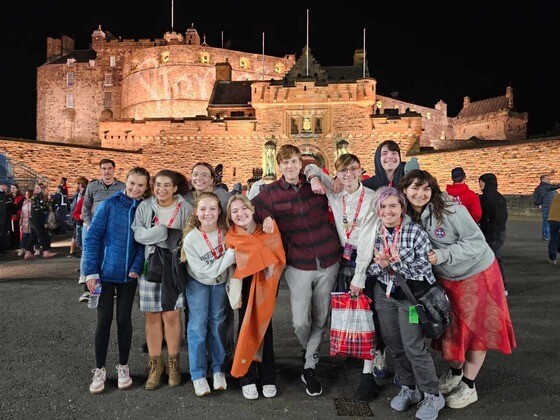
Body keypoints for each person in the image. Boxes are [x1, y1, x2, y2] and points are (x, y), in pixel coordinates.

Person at [399, 169, 516, 409]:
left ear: (434, 190)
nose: (420, 193)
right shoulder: (407, 215)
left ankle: (469, 385)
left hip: (477, 273)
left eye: (426, 188)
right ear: (404, 190)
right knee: (451, 329)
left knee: (476, 329)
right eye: (415, 188)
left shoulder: (450, 209)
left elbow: (476, 241)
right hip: (446, 279)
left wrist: (443, 254)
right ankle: (455, 374)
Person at [252, 144, 341, 397]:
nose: (290, 167)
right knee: (300, 321)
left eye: (294, 162)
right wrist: (266, 215)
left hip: (328, 259)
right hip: (298, 263)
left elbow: (338, 186)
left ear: (300, 163)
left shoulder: (315, 184)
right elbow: (250, 206)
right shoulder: (269, 192)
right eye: (285, 163)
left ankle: (309, 367)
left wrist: (315, 175)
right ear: (279, 166)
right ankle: (310, 349)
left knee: (321, 318)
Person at [304, 153, 379, 401]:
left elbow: (367, 241)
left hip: (365, 262)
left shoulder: (371, 199)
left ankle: (368, 372)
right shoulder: (335, 195)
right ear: (336, 173)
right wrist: (315, 177)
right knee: (348, 311)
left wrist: (360, 276)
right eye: (343, 171)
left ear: (361, 171)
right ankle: (355, 353)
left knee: (367, 315)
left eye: (353, 169)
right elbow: (311, 164)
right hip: (344, 260)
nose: (348, 174)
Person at [365, 186, 445, 419]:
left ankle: (432, 394)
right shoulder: (374, 232)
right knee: (393, 343)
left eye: (393, 205)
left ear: (402, 208)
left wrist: (395, 263)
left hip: (411, 296)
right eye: (383, 206)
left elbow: (425, 269)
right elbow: (368, 268)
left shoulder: (414, 232)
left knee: (413, 346)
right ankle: (409, 388)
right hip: (385, 295)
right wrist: (379, 265)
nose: (388, 211)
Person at [83, 166, 150, 394]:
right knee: (104, 322)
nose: (135, 188)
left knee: (124, 321)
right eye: (132, 183)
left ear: (146, 187)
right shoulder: (109, 205)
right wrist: (90, 271)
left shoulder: (143, 208)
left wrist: (136, 266)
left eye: (140, 185)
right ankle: (99, 369)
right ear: (126, 182)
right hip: (104, 274)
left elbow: (142, 243)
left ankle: (123, 366)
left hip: (128, 277)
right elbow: (92, 237)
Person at [132, 170, 193, 390]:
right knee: (152, 315)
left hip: (174, 268)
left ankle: (174, 363)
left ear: (176, 188)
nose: (161, 189)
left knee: (172, 314)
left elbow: (189, 238)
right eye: (158, 184)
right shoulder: (145, 207)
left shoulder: (185, 208)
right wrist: (163, 232)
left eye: (167, 185)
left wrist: (155, 234)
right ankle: (156, 365)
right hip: (151, 266)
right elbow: (137, 235)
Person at [225, 194, 286, 400]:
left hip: (266, 285)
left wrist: (262, 262)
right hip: (243, 285)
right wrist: (262, 261)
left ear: (252, 210)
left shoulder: (267, 229)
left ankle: (268, 376)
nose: (240, 214)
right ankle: (247, 376)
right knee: (245, 327)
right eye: (234, 211)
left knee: (265, 329)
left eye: (243, 209)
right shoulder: (232, 236)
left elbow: (278, 259)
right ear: (230, 217)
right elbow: (233, 265)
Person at [180, 191, 236, 397]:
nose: (208, 213)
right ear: (196, 211)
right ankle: (198, 374)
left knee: (219, 323)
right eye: (203, 209)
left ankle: (218, 369)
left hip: (220, 284)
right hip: (199, 283)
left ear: (220, 210)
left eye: (213, 208)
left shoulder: (226, 231)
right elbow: (206, 272)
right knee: (197, 326)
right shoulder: (192, 238)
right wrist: (228, 258)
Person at [183, 162, 235, 363]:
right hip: (194, 257)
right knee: (195, 312)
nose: (199, 179)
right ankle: (200, 355)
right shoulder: (186, 197)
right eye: (195, 174)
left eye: (205, 175)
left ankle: (224, 353)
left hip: (219, 257)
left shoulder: (224, 197)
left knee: (221, 314)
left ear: (213, 179)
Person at [79, 158, 126, 300]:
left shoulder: (122, 187)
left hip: (112, 227)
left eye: (109, 168)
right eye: (104, 169)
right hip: (93, 225)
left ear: (114, 169)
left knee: (110, 254)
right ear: (100, 171)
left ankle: (111, 289)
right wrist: (88, 224)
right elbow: (86, 207)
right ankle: (89, 288)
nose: (107, 171)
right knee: (90, 254)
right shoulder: (92, 186)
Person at [478, 173, 509, 294]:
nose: (480, 184)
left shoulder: (487, 198)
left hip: (491, 234)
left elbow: (491, 218)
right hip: (497, 232)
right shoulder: (499, 197)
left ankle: (500, 286)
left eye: (481, 182)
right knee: (495, 259)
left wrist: (489, 230)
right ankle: (499, 286)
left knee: (493, 260)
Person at [23, 183, 57, 259]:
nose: (38, 189)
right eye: (37, 188)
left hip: (33, 219)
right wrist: (49, 204)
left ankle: (28, 252)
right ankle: (46, 251)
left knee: (33, 236)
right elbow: (43, 207)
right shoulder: (37, 197)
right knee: (43, 235)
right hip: (37, 219)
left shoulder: (36, 197)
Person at [533, 174, 560, 241]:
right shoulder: (544, 186)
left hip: (547, 206)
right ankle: (546, 236)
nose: (549, 180)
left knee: (546, 221)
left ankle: (546, 236)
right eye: (547, 178)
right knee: (547, 222)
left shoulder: (541, 187)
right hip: (547, 206)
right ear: (543, 180)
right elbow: (556, 187)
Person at [18, 190, 33, 257]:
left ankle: (31, 249)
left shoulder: (33, 202)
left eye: (27, 194)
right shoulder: (24, 202)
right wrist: (20, 220)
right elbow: (22, 213)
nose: (25, 195)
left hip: (31, 221)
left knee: (31, 236)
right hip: (25, 221)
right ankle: (22, 248)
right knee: (24, 236)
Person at [10, 184, 25, 250]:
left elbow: (20, 207)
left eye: (13, 188)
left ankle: (18, 243)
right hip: (10, 217)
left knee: (17, 230)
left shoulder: (21, 197)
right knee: (11, 231)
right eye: (11, 188)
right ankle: (12, 244)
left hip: (18, 216)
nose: (12, 189)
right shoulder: (9, 197)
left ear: (17, 189)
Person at [547, 193, 560, 264]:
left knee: (553, 239)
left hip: (552, 219)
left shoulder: (556, 197)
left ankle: (552, 258)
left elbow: (551, 208)